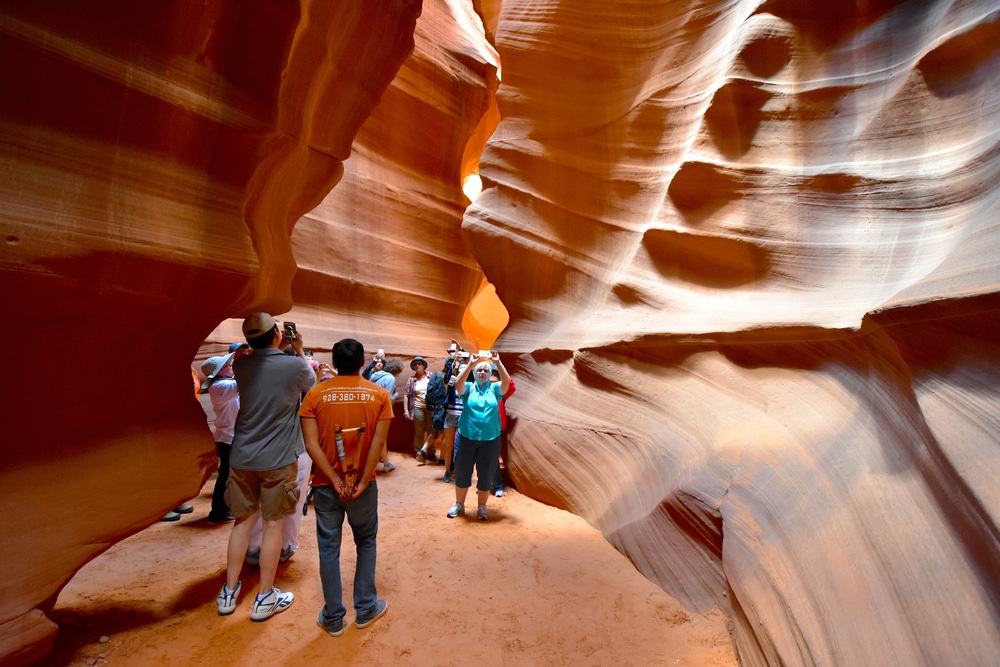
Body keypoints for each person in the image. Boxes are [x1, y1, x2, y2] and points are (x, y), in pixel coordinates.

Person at [215, 312, 315, 621]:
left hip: (242, 456)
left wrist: (245, 349)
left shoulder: (243, 365)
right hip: (278, 458)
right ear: (277, 335)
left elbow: (240, 356)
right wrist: (297, 347)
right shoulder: (295, 365)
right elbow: (309, 385)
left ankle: (229, 593)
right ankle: (265, 596)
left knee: (241, 522)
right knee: (273, 525)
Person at [300, 338, 392, 636]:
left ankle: (333, 617)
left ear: (335, 363)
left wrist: (336, 479)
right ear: (363, 361)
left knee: (329, 548)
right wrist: (363, 481)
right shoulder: (378, 395)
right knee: (366, 540)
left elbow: (311, 444)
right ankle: (365, 608)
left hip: (327, 485)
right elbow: (378, 444)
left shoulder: (315, 395)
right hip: (363, 487)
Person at [447, 352, 510, 520]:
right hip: (466, 438)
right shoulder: (468, 387)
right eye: (479, 370)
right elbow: (457, 384)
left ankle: (482, 507)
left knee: (486, 474)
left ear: (490, 374)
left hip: (490, 441)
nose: (482, 372)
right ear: (474, 374)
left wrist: (498, 362)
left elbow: (507, 383)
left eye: (485, 371)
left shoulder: (495, 389)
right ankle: (459, 505)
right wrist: (470, 364)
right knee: (462, 472)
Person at [201, 353, 240, 523]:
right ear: (218, 372)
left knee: (229, 475)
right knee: (225, 476)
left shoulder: (223, 385)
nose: (230, 367)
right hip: (227, 438)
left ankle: (225, 508)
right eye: (227, 366)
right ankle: (218, 512)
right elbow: (244, 381)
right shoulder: (220, 387)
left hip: (229, 436)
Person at [369, 359, 403, 472]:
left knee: (372, 436)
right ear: (397, 370)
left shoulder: (374, 375)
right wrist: (395, 395)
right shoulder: (390, 378)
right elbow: (386, 395)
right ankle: (386, 463)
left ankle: (382, 461)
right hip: (381, 410)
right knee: (381, 436)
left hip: (370, 408)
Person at [403, 356, 436, 463]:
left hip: (430, 408)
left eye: (419, 364)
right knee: (419, 431)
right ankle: (419, 451)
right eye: (415, 364)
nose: (417, 365)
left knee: (431, 431)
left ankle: (431, 452)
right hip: (417, 407)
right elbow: (406, 395)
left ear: (424, 366)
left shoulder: (431, 376)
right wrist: (406, 410)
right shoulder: (411, 380)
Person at [490, 368, 516, 497]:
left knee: (493, 457)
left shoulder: (501, 391)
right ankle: (485, 484)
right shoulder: (481, 389)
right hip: (481, 428)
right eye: (492, 374)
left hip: (496, 428)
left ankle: (498, 485)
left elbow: (511, 385)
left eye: (496, 375)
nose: (493, 377)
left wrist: (498, 365)